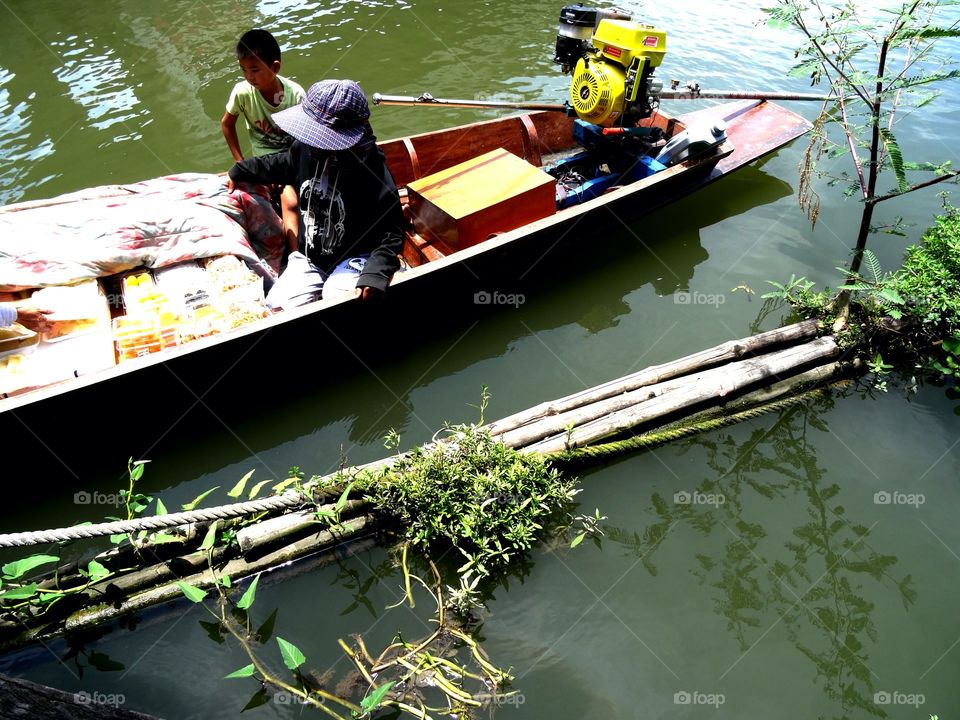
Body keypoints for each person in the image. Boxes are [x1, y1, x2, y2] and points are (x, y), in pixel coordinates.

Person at [227, 79, 405, 304]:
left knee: (339, 297)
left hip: (356, 255)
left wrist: (376, 271)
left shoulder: (372, 170)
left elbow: (393, 232)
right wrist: (240, 170)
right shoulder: (305, 148)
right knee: (278, 305)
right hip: (310, 257)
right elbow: (282, 164)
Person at [220, 29, 305, 253]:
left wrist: (283, 171)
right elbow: (227, 125)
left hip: (290, 158)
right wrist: (240, 163)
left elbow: (304, 140)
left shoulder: (295, 95)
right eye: (244, 70)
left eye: (255, 69)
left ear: (275, 67)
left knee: (291, 201)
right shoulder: (242, 93)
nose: (249, 76)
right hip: (261, 161)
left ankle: (296, 256)